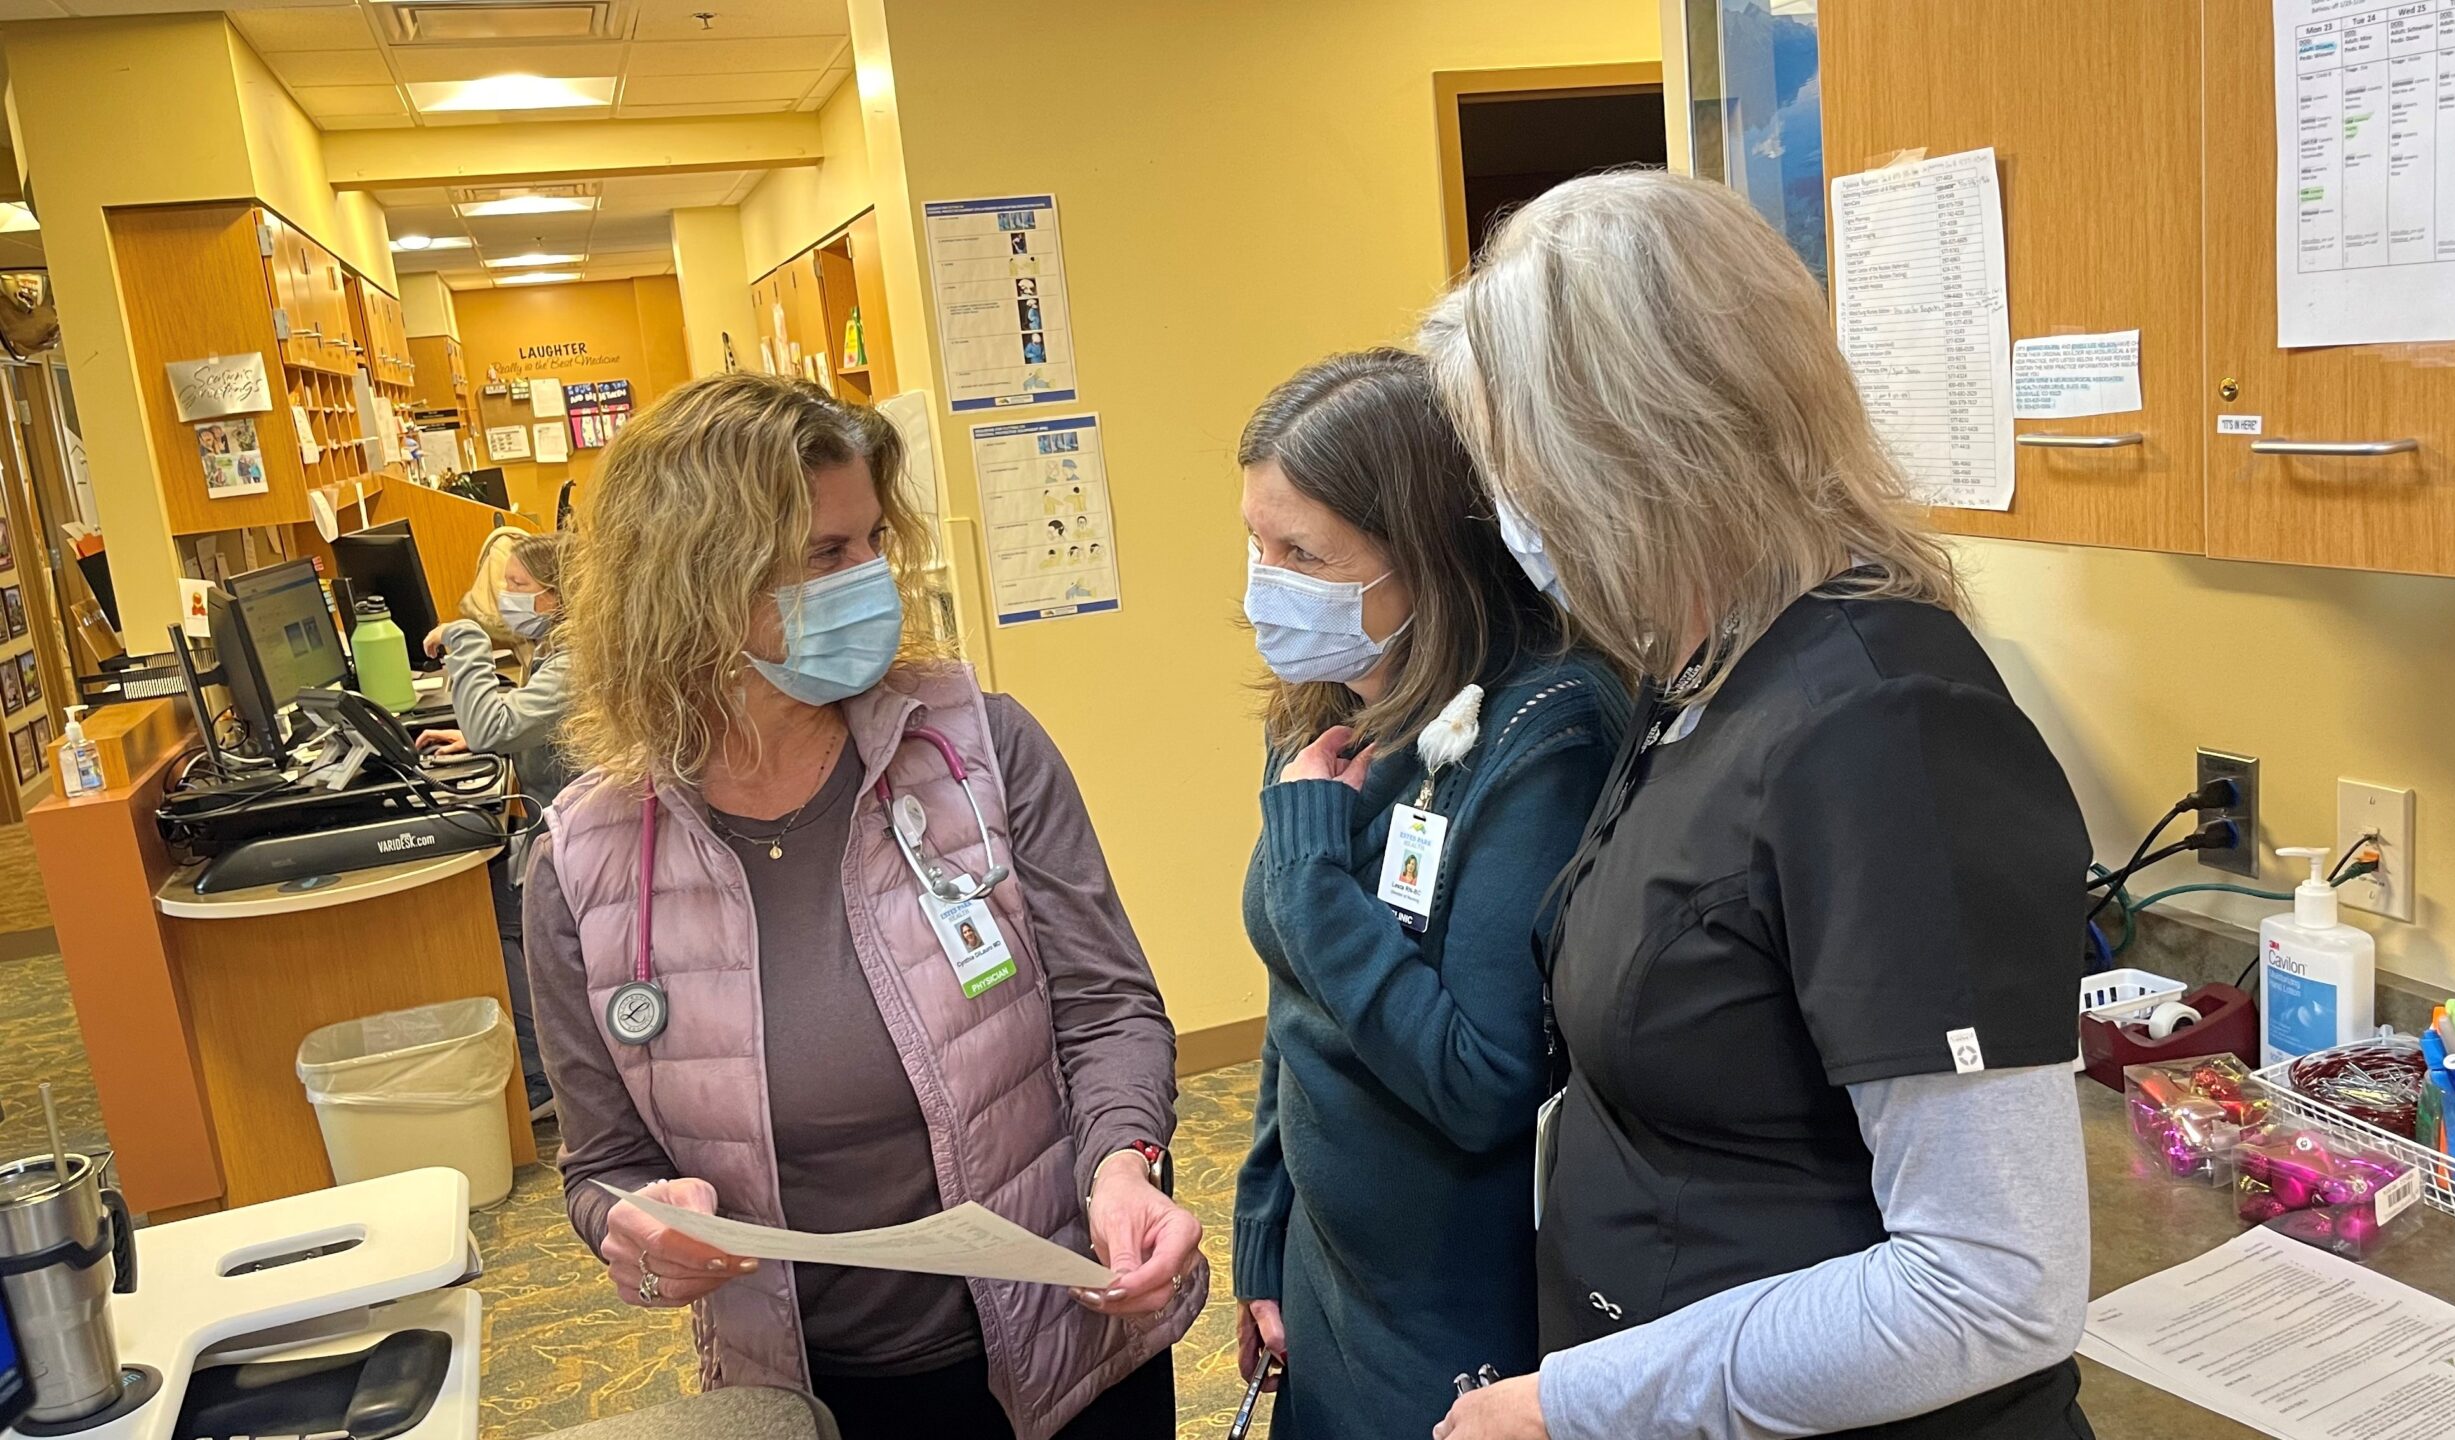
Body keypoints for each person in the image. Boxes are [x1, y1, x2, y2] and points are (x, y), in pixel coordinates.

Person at [1421, 172, 2094, 1440]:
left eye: (1522, 469)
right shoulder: (1701, 670)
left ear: (1640, 451)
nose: (1513, 515)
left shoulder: (1881, 725)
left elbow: (1993, 1286)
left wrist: (1573, 1405)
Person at [526, 373, 1204, 1440]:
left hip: (1065, 1338)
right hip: (814, 1386)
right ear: (694, 580)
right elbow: (605, 1165)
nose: (870, 580)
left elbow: (1108, 1008)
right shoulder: (587, 859)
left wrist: (1124, 1164)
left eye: (874, 540)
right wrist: (638, 1229)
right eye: (825, 555)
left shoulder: (977, 747)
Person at [1232, 350, 1627, 1440]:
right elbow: (1296, 1002)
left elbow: (1481, 1082)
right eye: (1256, 543)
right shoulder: (1324, 706)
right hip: (1327, 1267)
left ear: (1431, 556)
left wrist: (1308, 869)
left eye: (1301, 553)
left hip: (1454, 1308)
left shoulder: (1545, 728)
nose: (1264, 581)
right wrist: (1263, 1221)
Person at [419, 528, 577, 1119]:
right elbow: (511, 728)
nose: (505, 598)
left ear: (557, 597)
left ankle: (543, 1078)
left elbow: (493, 728)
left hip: (578, 830)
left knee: (498, 910)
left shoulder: (575, 658)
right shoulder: (556, 650)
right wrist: (485, 734)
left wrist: (464, 639)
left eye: (517, 586)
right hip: (563, 811)